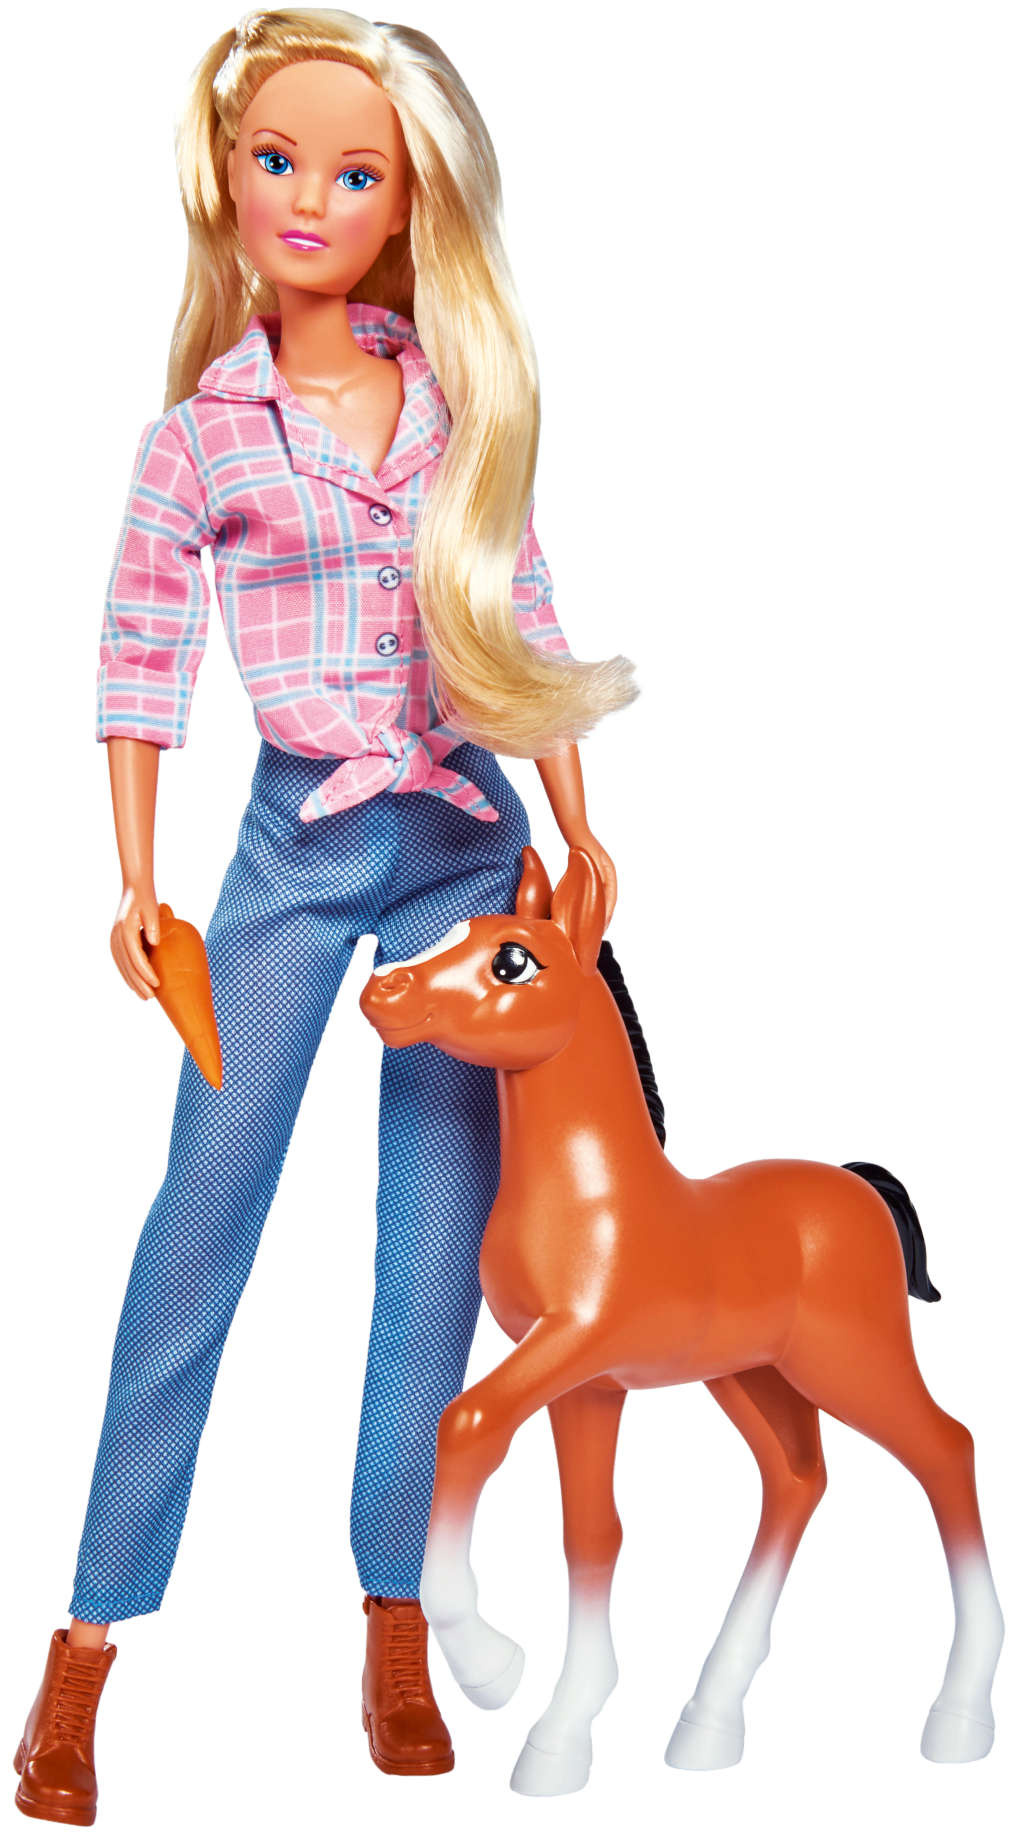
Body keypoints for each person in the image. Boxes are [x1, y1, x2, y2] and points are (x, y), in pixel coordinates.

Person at [14, 7, 635, 1823]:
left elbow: (517, 602)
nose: (309, 197)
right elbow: (139, 665)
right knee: (197, 1227)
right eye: (278, 160)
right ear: (224, 174)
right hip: (290, 850)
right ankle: (87, 1634)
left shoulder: (452, 401)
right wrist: (136, 886)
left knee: (430, 1243)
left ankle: (393, 1603)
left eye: (354, 174)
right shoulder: (198, 440)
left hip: (459, 847)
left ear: (406, 204)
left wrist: (577, 816)